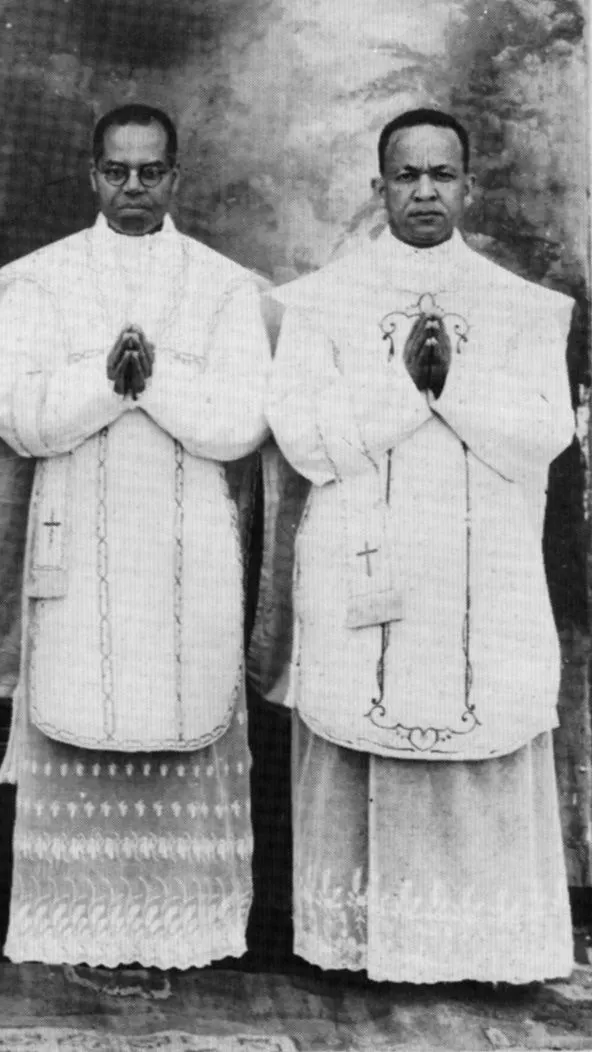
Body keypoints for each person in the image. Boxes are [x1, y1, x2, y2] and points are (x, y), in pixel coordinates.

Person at [265, 108, 575, 982]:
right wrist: (409, 391)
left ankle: (481, 947)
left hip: (481, 573)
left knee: (482, 723)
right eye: (407, 175)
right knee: (363, 718)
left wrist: (453, 383)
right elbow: (302, 438)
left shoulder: (524, 308)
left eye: (442, 175)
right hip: (369, 570)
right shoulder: (321, 302)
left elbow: (544, 433)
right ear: (380, 188)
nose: (426, 191)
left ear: (469, 187)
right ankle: (357, 944)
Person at [0, 103, 270, 967]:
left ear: (175, 176)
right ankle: (70, 917)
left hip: (185, 546)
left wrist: (152, 382)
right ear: (92, 175)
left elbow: (242, 422)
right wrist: (107, 386)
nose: (133, 187)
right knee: (79, 708)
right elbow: (15, 411)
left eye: (150, 171)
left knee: (183, 707)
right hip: (79, 539)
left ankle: (186, 920)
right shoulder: (39, 282)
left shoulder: (225, 288)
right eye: (117, 171)